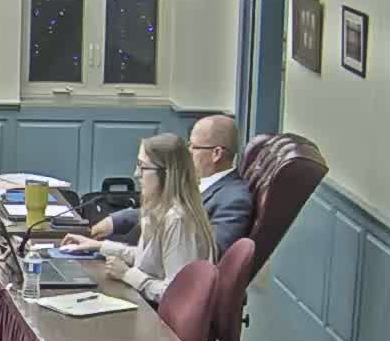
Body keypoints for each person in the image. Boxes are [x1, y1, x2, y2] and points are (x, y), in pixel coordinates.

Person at [61, 132, 218, 304]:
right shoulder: (160, 209)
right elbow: (150, 260)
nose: (136, 173)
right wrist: (99, 246)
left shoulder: (178, 219)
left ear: (167, 174)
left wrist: (127, 274)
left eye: (143, 167)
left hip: (158, 316)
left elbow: (177, 295)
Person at [89, 113, 254, 255]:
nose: (187, 153)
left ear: (216, 154)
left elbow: (210, 251)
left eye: (194, 147)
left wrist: (119, 253)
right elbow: (164, 211)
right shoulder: (200, 182)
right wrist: (117, 221)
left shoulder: (234, 199)